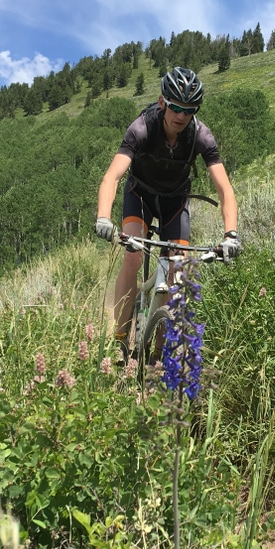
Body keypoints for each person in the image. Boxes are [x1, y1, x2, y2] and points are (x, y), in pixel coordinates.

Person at [94, 66, 242, 360]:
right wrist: (102, 218)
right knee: (133, 255)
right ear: (162, 102)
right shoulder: (141, 128)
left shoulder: (201, 136)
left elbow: (225, 189)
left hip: (175, 202)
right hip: (141, 196)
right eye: (175, 107)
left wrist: (231, 235)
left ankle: (158, 355)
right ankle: (121, 339)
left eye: (189, 110)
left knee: (177, 271)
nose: (181, 116)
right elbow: (112, 177)